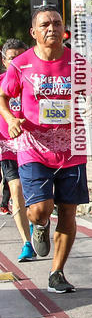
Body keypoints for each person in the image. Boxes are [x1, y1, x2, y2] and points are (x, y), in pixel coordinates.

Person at [0, 8, 90, 292]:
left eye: (57, 23)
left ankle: (57, 273)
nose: (52, 28)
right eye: (45, 24)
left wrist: (90, 112)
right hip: (34, 147)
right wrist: (11, 118)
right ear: (34, 32)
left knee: (68, 212)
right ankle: (39, 226)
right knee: (40, 209)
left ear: (64, 29)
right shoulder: (21, 64)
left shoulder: (77, 62)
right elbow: (2, 95)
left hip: (71, 149)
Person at [0, 39, 35, 261]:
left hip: (34, 144)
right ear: (4, 61)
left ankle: (37, 223)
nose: (16, 62)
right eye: (12, 58)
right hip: (8, 145)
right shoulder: (1, 83)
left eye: (21, 57)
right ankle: (26, 243)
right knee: (16, 188)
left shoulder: (36, 79)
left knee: (37, 197)